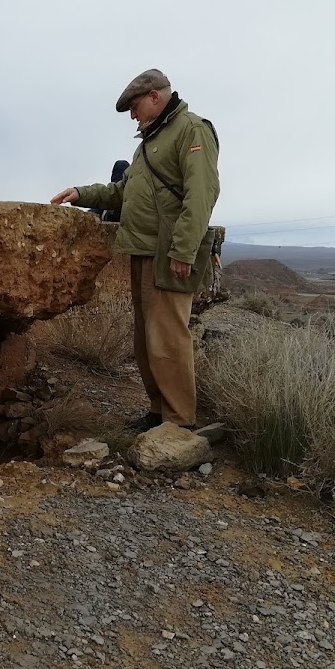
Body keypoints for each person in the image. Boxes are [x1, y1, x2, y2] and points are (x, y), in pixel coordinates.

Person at [51, 69, 219, 431]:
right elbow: (123, 192)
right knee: (146, 341)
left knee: (168, 339)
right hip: (142, 250)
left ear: (155, 97)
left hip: (168, 254)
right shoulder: (149, 141)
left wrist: (183, 251)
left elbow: (201, 195)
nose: (132, 115)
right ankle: (158, 413)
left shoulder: (191, 129)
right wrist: (81, 194)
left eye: (134, 106)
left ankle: (179, 423)